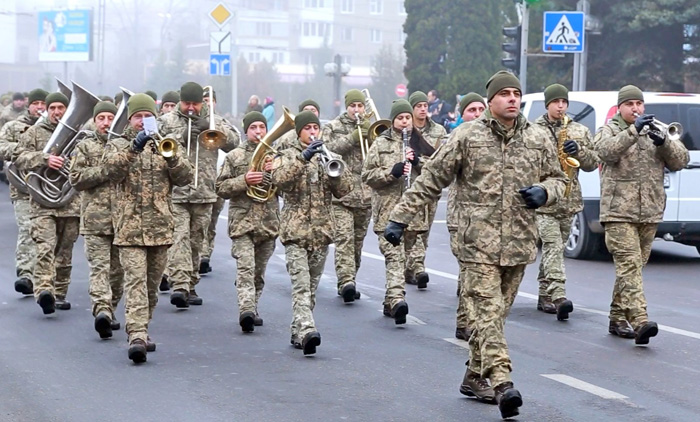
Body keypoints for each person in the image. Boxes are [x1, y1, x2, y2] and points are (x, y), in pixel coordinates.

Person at [384, 71, 567, 418]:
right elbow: (430, 180)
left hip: (519, 242)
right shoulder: (467, 136)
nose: (512, 98)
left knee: (495, 316)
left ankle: (473, 376)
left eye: (516, 93)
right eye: (505, 94)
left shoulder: (538, 138)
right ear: (490, 101)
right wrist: (399, 218)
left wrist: (547, 192)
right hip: (475, 244)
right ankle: (502, 382)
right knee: (486, 314)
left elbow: (559, 179)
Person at [594, 85, 689, 345]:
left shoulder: (655, 132)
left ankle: (616, 316)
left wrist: (665, 143)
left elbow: (682, 160)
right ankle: (639, 320)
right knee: (630, 265)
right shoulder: (610, 130)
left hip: (650, 211)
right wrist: (633, 132)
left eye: (639, 104)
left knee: (632, 269)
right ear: (620, 107)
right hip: (618, 212)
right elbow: (604, 152)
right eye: (630, 104)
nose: (636, 109)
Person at [104, 93, 193, 363]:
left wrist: (171, 158)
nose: (143, 121)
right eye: (138, 117)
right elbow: (110, 172)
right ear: (130, 120)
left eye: (147, 116)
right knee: (135, 283)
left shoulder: (168, 144)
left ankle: (144, 327)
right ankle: (137, 335)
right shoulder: (117, 144)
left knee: (152, 286)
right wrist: (133, 148)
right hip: (129, 229)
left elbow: (185, 177)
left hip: (161, 228)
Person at [270, 110, 352, 355]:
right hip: (295, 231)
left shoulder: (330, 156)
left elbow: (345, 190)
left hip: (322, 231)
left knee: (312, 287)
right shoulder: (286, 156)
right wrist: (302, 159)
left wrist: (333, 172)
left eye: (316, 128)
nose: (313, 132)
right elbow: (279, 181)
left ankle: (298, 330)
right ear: (299, 132)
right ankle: (307, 330)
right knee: (301, 286)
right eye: (308, 128)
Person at [158, 82, 239, 308]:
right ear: (181, 102)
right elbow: (157, 145)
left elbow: (235, 143)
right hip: (176, 191)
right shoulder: (166, 121)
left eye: (195, 103)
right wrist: (182, 135)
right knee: (178, 239)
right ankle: (180, 285)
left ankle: (191, 284)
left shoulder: (214, 119)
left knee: (196, 241)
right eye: (187, 103)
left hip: (204, 191)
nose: (191, 108)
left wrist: (212, 129)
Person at [361, 99, 435, 325]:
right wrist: (390, 173)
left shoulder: (419, 143)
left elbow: (436, 171)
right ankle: (396, 300)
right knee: (394, 256)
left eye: (407, 118)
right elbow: (367, 176)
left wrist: (418, 162)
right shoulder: (381, 143)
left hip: (412, 214)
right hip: (388, 213)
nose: (405, 122)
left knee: (402, 260)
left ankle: (389, 301)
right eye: (400, 118)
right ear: (393, 121)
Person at [534, 84, 599, 320]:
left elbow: (593, 163)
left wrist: (579, 151)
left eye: (564, 102)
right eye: (556, 102)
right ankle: (559, 295)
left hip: (569, 199)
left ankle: (544, 295)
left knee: (557, 247)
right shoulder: (533, 130)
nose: (560, 106)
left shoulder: (579, 130)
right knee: (551, 245)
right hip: (544, 200)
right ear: (547, 104)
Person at [13, 92, 81, 314]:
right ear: (47, 111)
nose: (56, 112)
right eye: (52, 108)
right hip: (42, 202)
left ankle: (59, 292)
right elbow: (19, 158)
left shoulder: (80, 134)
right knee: (44, 248)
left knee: (65, 251)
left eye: (61, 108)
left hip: (70, 202)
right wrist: (44, 159)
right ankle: (44, 291)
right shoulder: (33, 133)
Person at [215, 111, 279, 332]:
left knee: (258, 273)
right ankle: (246, 310)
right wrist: (244, 180)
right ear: (246, 131)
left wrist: (277, 173)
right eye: (254, 128)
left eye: (262, 127)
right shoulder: (234, 156)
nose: (258, 131)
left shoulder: (276, 156)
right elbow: (221, 188)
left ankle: (254, 305)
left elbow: (288, 189)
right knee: (245, 268)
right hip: (242, 223)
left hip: (268, 223)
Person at [69, 101, 125, 339]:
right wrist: (105, 170)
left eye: (110, 118)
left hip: (124, 221)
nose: (105, 122)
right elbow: (76, 178)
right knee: (99, 269)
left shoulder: (125, 146)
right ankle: (101, 310)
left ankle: (110, 310)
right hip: (95, 220)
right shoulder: (85, 146)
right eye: (100, 118)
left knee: (119, 273)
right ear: (94, 121)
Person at [321, 90, 371, 302]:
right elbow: (328, 150)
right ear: (346, 106)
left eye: (360, 106)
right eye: (353, 106)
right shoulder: (333, 127)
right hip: (340, 196)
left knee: (357, 244)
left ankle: (351, 278)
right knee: (344, 240)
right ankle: (346, 281)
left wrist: (373, 134)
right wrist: (353, 137)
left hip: (365, 196)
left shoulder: (371, 125)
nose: (357, 110)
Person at [0, 89, 47, 296]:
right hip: (23, 188)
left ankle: (45, 278)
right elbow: (2, 147)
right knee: (28, 229)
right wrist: (28, 153)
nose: (39, 107)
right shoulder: (13, 126)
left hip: (49, 188)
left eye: (43, 104)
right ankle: (26, 274)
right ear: (29, 105)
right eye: (36, 103)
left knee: (48, 236)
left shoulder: (57, 129)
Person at [448, 92, 485, 341]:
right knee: (468, 270)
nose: (477, 114)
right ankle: (467, 322)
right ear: (462, 115)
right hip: (460, 216)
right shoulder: (456, 138)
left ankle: (466, 322)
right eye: (472, 110)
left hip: (486, 218)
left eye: (481, 109)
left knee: (476, 274)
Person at [404, 91, 448, 289]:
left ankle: (415, 266)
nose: (423, 109)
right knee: (411, 230)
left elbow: (441, 160)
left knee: (425, 230)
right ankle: (415, 267)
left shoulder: (438, 130)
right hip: (411, 186)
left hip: (431, 185)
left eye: (425, 106)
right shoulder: (405, 130)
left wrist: (419, 161)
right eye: (418, 106)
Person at [199, 87, 240, 275]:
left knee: (211, 221)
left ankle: (205, 254)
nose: (207, 103)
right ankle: (199, 256)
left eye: (210, 100)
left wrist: (215, 126)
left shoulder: (222, 122)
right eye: (204, 100)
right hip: (195, 183)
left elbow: (235, 143)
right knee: (197, 224)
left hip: (216, 181)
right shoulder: (193, 122)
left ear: (215, 102)